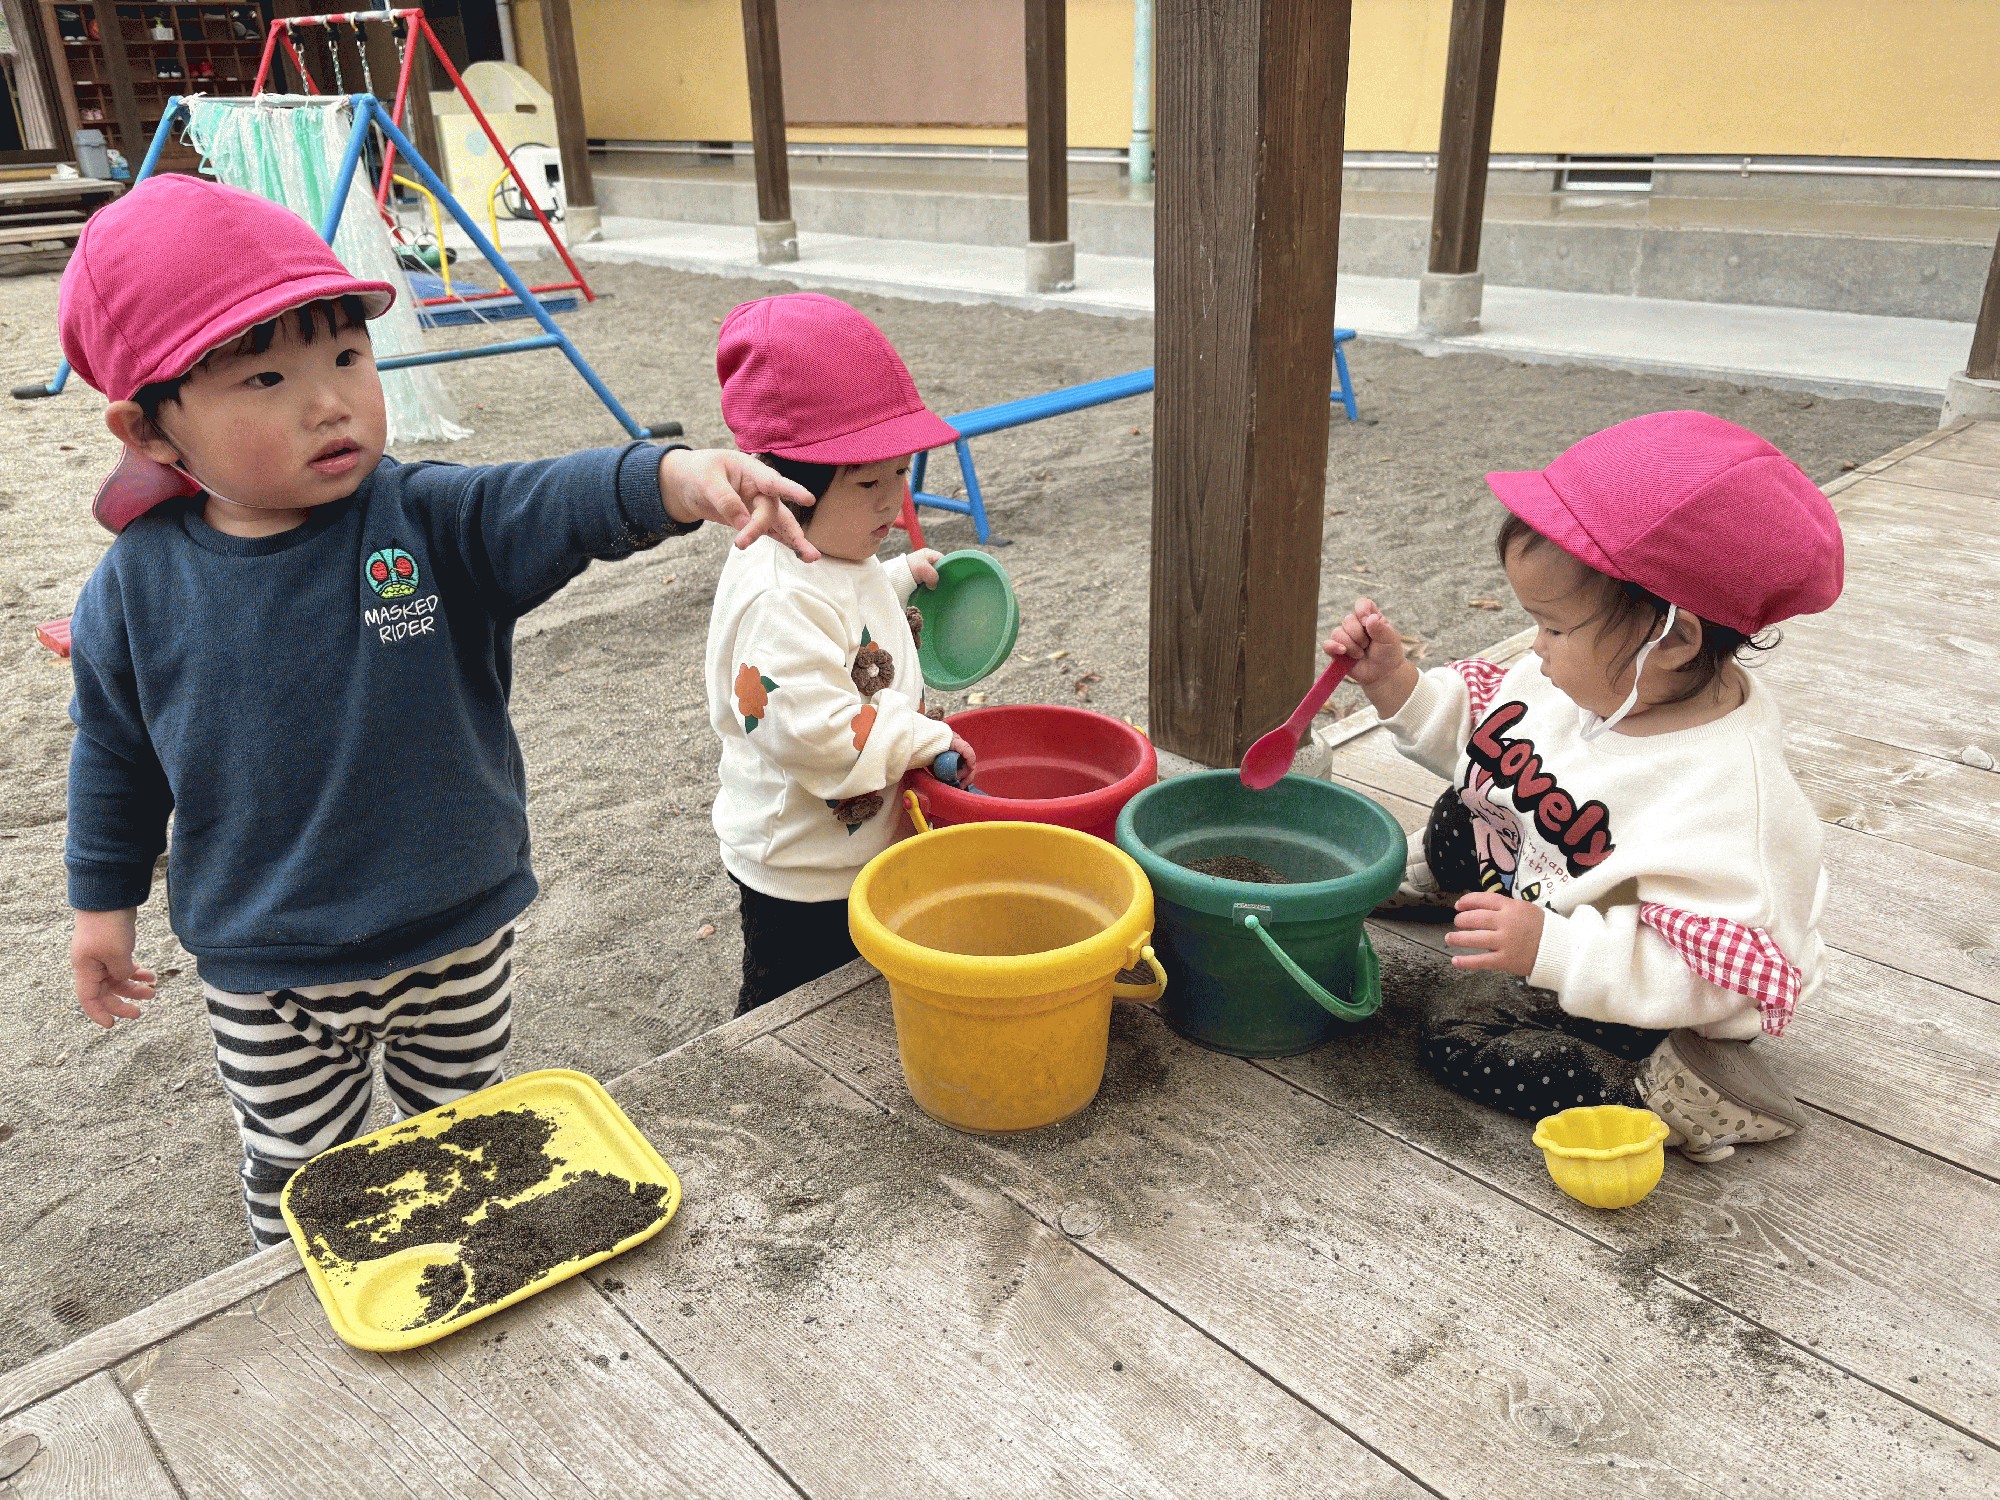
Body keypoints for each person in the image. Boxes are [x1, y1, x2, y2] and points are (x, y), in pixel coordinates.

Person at [58, 175, 817, 1246]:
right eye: (267, 378)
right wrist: (102, 908)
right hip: (271, 965)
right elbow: (114, 757)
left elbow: (541, 499)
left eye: (346, 358)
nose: (329, 403)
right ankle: (299, 1294)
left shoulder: (420, 518)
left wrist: (673, 480)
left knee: (470, 1135)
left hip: (455, 931)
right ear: (151, 429)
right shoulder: (134, 589)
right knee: (301, 1175)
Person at [1325, 411, 1842, 1161]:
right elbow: (1488, 739)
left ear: (1673, 640)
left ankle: (1669, 1097)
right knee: (1463, 807)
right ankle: (1444, 886)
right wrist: (1396, 682)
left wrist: (1557, 952)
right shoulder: (1593, 678)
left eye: (1556, 628)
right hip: (1552, 875)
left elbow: (1715, 982)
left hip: (1642, 982)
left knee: (1458, 1034)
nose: (1535, 647)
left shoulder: (1727, 802)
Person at [705, 293, 975, 1013]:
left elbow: (842, 607)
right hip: (802, 865)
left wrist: (896, 577)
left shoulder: (834, 547)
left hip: (851, 842)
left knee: (858, 991)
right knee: (791, 1006)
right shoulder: (776, 596)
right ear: (785, 487)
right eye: (868, 482)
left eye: (901, 472)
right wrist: (924, 738)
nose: (893, 501)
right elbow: (815, 732)